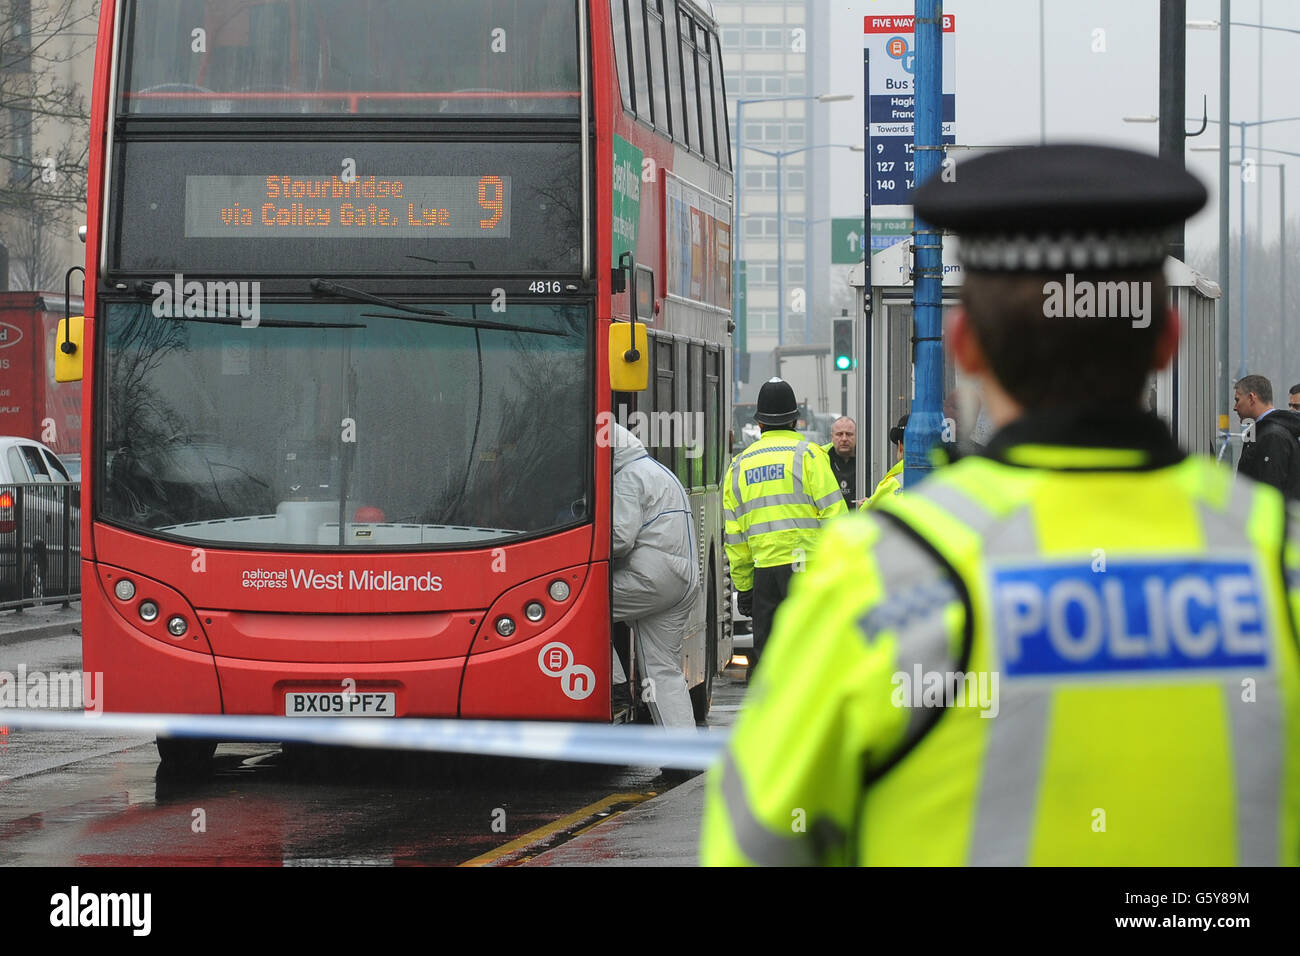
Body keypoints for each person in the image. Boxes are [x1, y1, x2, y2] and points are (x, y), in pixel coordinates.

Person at [701, 143, 1300, 865]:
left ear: (967, 345)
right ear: (1166, 340)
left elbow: (754, 843)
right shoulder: (1277, 562)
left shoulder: (882, 581)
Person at [723, 378, 847, 679]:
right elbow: (837, 519)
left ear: (760, 424)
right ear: (795, 419)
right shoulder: (810, 456)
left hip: (763, 572)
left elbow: (735, 537)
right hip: (807, 571)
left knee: (768, 661)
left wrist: (744, 586)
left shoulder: (740, 466)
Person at [609, 423, 699, 729]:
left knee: (583, 607)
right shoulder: (659, 471)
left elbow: (620, 539)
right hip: (682, 581)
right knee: (663, 669)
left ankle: (614, 684)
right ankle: (684, 751)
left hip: (652, 579)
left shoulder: (626, 477)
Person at [1233, 374, 1300, 500]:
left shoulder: (1273, 435)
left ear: (1251, 398)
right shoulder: (1262, 431)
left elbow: (1270, 490)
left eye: (1237, 400)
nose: (1234, 407)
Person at [862, 413, 908, 510]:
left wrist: (866, 504)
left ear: (900, 445)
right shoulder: (943, 476)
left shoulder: (895, 482)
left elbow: (867, 514)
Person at [821, 417, 857, 506]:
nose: (844, 439)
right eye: (839, 434)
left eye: (849, 434)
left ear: (857, 436)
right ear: (832, 437)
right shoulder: (821, 458)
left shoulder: (866, 459)